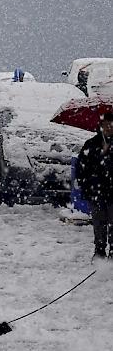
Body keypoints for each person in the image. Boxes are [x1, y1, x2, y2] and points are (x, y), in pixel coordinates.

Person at [76, 112, 113, 261]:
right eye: (106, 125)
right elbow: (82, 168)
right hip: (95, 192)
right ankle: (99, 251)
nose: (109, 128)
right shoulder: (91, 144)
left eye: (111, 125)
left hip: (111, 192)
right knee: (99, 224)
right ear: (101, 126)